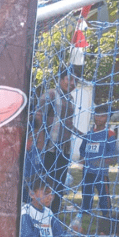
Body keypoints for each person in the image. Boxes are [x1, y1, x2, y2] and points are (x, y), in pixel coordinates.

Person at [37, 70, 77, 214]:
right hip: (48, 148)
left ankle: (55, 214)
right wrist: (40, 141)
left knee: (59, 184)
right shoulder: (51, 95)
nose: (72, 83)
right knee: (46, 182)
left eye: (75, 81)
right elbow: (38, 116)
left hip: (64, 149)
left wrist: (83, 135)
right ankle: (41, 213)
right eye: (69, 79)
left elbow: (68, 124)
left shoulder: (70, 99)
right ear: (60, 79)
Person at [79, 103, 117, 217]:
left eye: (102, 116)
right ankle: (85, 212)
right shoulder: (89, 134)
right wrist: (83, 158)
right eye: (97, 115)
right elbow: (82, 149)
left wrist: (104, 161)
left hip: (101, 172)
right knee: (86, 192)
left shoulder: (109, 134)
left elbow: (112, 151)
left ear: (107, 118)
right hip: (87, 170)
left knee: (103, 193)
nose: (99, 118)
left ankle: (106, 213)